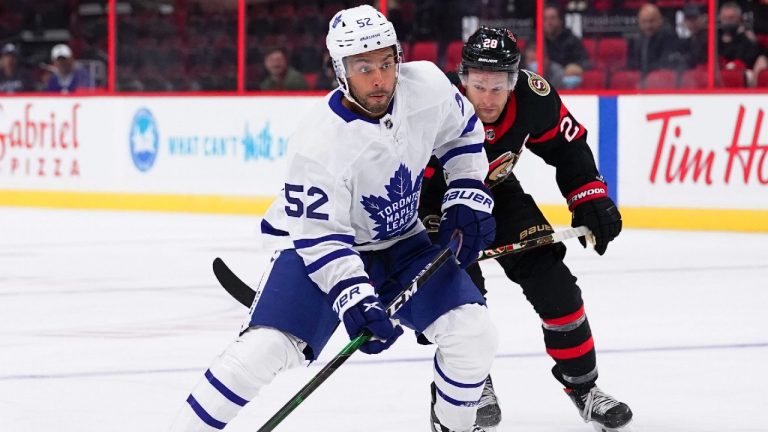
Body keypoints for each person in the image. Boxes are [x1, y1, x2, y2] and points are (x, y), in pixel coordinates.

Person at [170, 5, 498, 432]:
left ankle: (453, 426)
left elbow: (462, 132)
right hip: (311, 246)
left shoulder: (429, 86)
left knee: (474, 333)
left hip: (400, 240)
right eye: (363, 68)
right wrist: (354, 297)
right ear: (340, 70)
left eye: (385, 62)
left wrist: (467, 193)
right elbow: (323, 240)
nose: (379, 78)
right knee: (266, 349)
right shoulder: (318, 142)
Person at [420, 27, 633, 431]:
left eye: (498, 87)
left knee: (555, 285)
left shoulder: (534, 98)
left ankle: (584, 388)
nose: (486, 97)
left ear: (514, 81)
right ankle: (468, 388)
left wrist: (589, 197)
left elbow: (568, 146)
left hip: (496, 191)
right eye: (478, 85)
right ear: (462, 78)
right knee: (459, 303)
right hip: (431, 203)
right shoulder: (432, 102)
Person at [718, 1, 768, 86]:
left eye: (731, 18)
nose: (728, 22)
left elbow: (749, 60)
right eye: (725, 18)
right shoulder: (715, 39)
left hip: (743, 82)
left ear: (739, 19)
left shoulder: (747, 41)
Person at [626, 3, 682, 74]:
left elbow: (665, 64)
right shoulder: (636, 38)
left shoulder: (669, 36)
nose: (648, 26)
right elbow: (631, 64)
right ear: (639, 23)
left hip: (661, 79)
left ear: (660, 21)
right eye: (644, 22)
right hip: (641, 79)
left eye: (651, 21)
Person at [543, 4, 591, 70]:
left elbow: (585, 62)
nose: (548, 22)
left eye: (552, 18)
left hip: (565, 77)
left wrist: (574, 67)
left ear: (560, 21)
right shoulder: (535, 39)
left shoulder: (572, 40)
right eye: (545, 19)